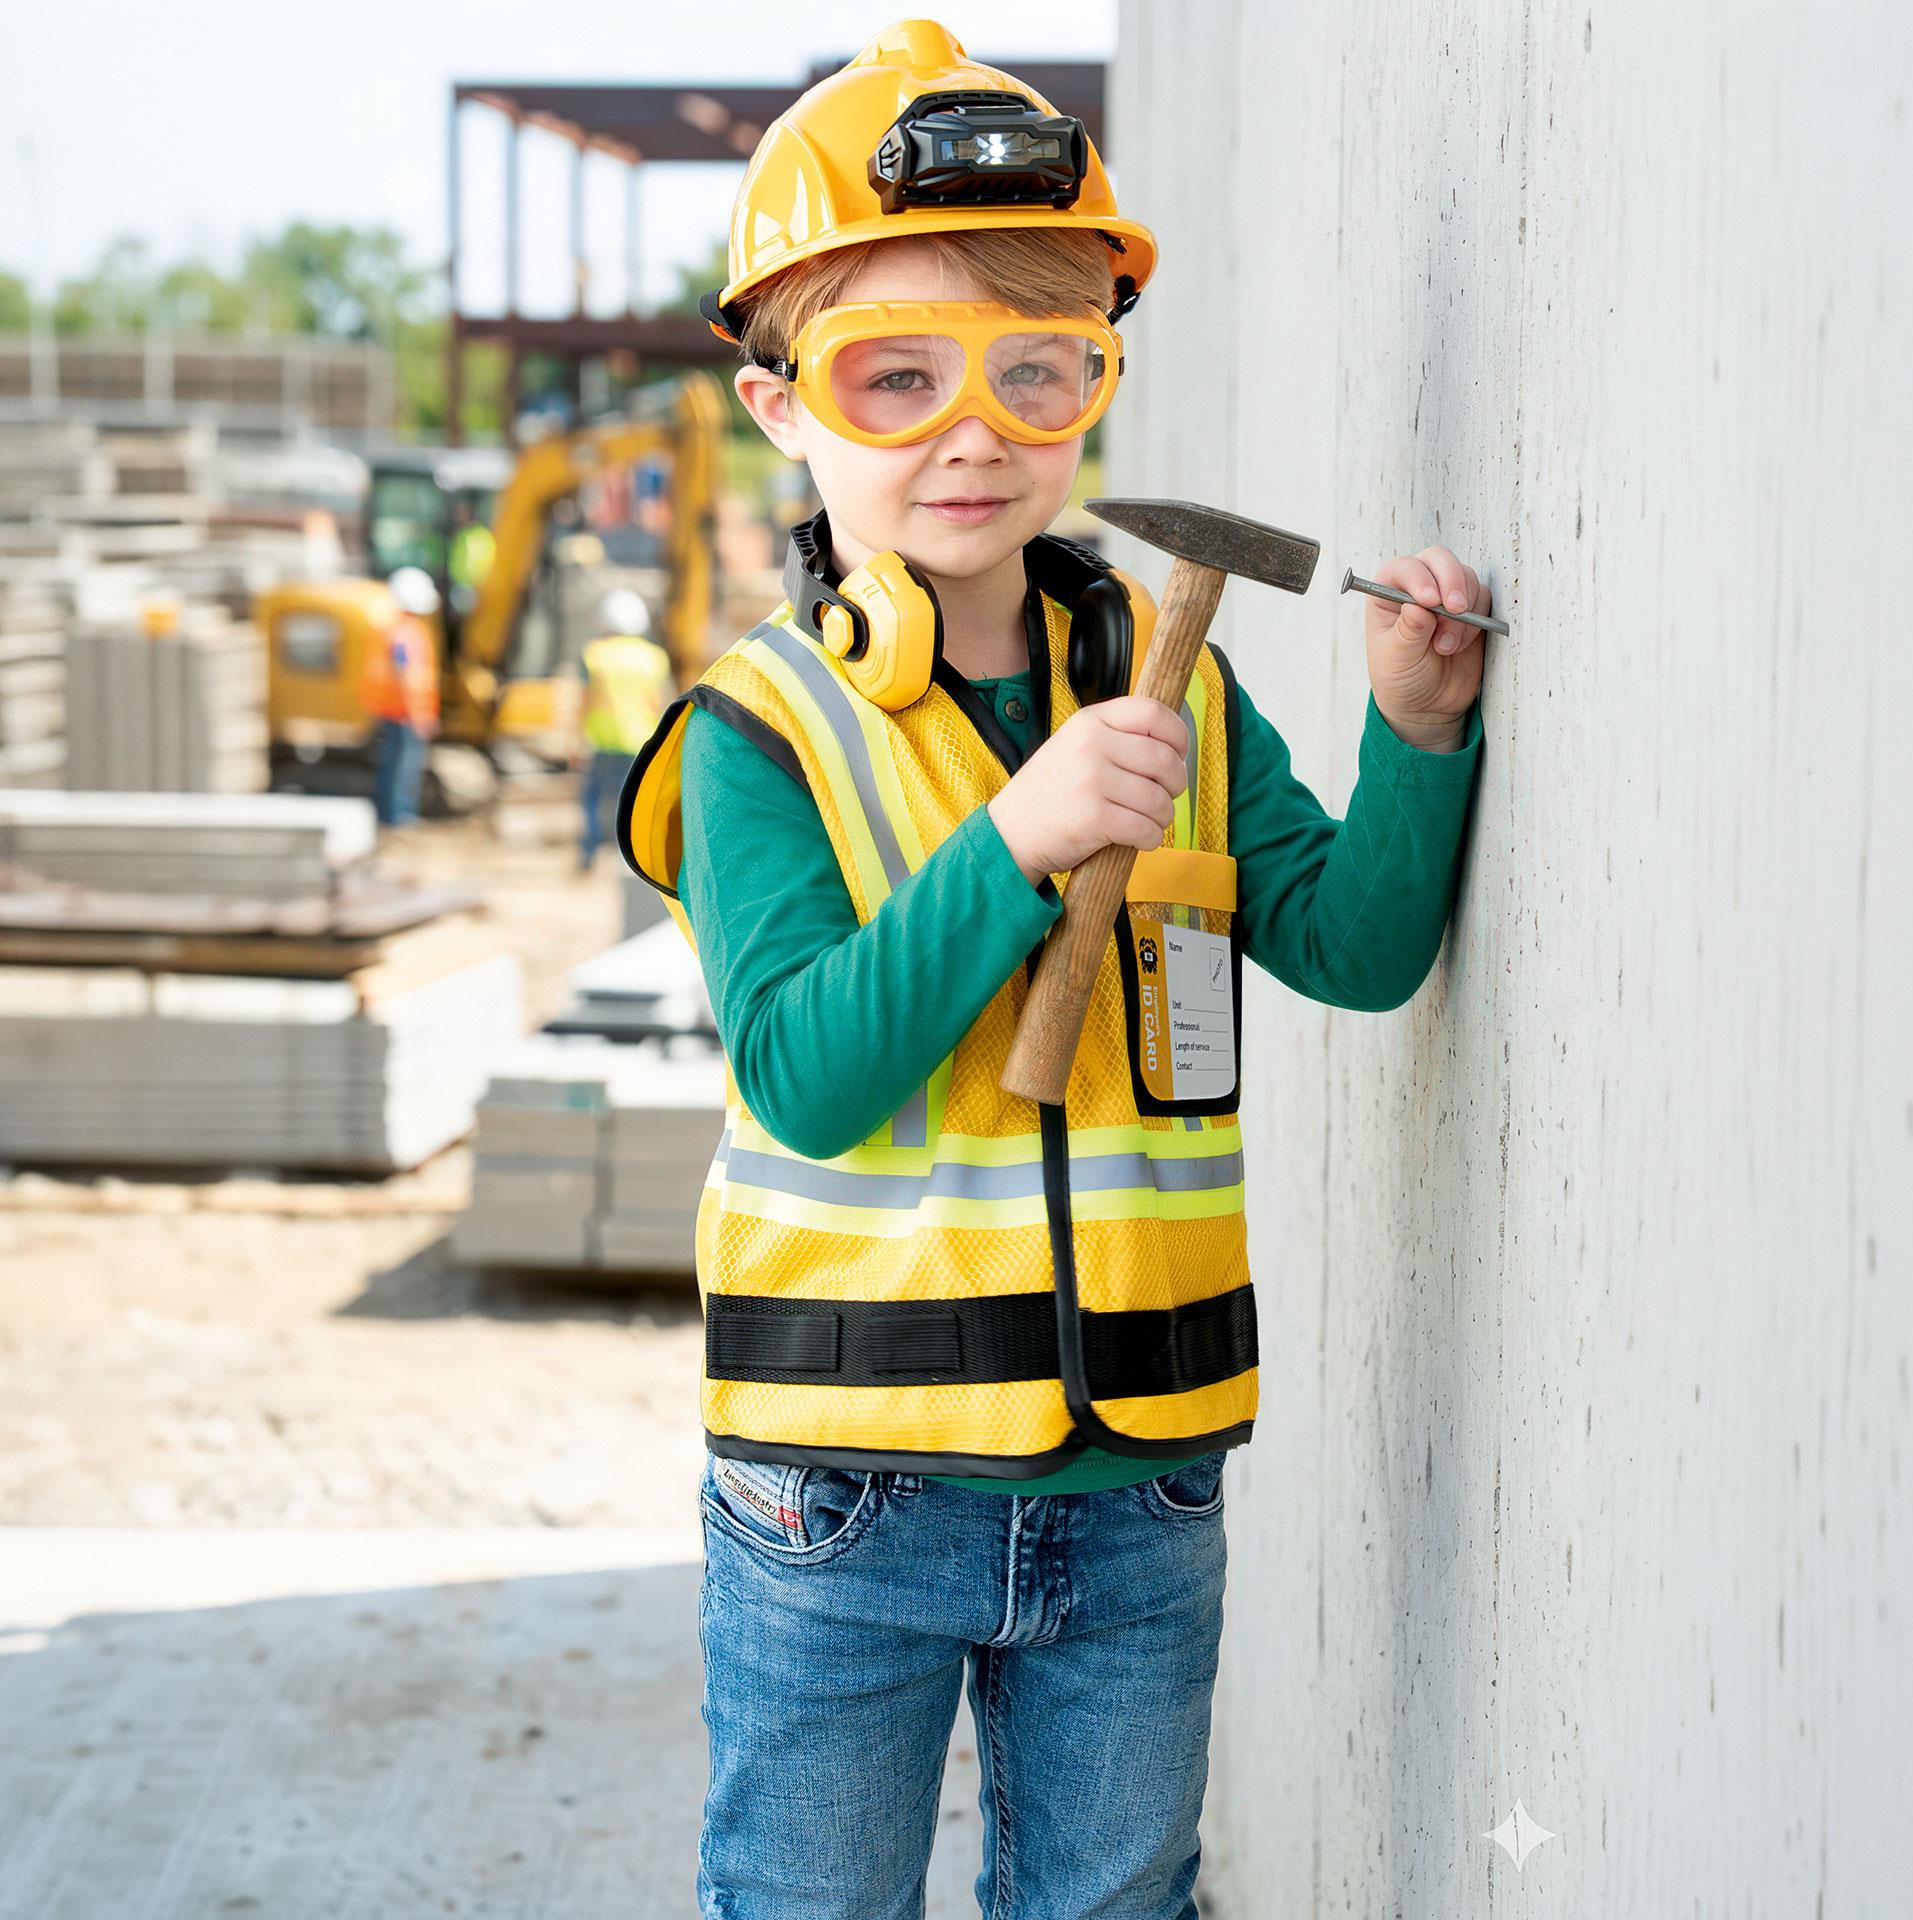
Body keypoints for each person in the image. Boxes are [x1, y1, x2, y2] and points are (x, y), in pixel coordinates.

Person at [620, 22, 1491, 1918]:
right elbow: (805, 1073)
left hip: (1144, 1481)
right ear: (778, 404)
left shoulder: (1163, 676)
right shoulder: (757, 735)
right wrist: (1013, 842)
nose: (974, 431)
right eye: (894, 374)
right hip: (848, 1487)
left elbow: (1349, 946)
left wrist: (1417, 735)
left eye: (1041, 372)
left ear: (1098, 379)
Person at [576, 588, 672, 869]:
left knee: (593, 796)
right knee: (631, 799)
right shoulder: (654, 657)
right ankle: (629, 855)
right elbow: (659, 701)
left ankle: (590, 851)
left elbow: (586, 698)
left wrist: (576, 736)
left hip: (603, 740)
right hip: (640, 740)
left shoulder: (595, 654)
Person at [360, 565, 440, 827]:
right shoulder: (409, 634)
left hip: (390, 711)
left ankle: (389, 816)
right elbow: (410, 679)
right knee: (403, 771)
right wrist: (420, 717)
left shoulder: (391, 628)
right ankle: (399, 818)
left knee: (391, 767)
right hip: (404, 714)